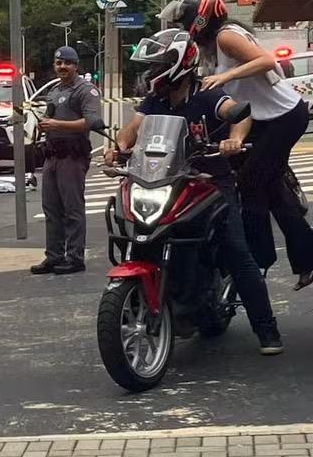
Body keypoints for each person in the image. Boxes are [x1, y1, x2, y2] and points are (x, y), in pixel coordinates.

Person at [105, 28, 282, 355]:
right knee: (142, 232)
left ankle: (267, 329)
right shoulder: (155, 99)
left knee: (236, 251)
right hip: (167, 182)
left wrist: (235, 139)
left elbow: (237, 113)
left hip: (211, 182)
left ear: (179, 64)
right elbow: (135, 127)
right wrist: (118, 147)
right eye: (152, 67)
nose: (152, 73)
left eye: (158, 66)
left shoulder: (206, 92)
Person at [166, 0, 313, 290]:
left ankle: (257, 258)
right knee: (272, 188)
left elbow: (267, 61)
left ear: (202, 18)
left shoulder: (226, 37)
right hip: (261, 120)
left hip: (283, 117)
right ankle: (306, 261)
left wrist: (227, 77)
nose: (185, 29)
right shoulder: (209, 47)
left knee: (251, 183)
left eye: (187, 22)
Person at [31, 46, 102, 275]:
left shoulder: (86, 90)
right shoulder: (54, 91)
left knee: (72, 208)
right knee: (51, 209)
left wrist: (57, 125)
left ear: (76, 66)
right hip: (52, 155)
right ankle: (53, 256)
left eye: (67, 63)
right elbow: (49, 118)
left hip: (73, 155)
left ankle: (74, 257)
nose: (62, 67)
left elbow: (91, 122)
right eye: (58, 63)